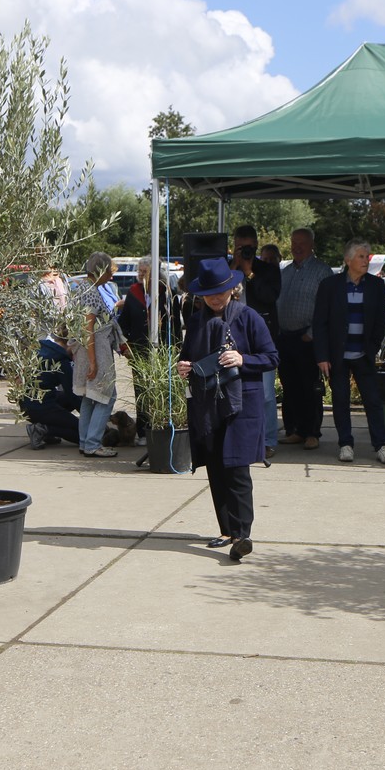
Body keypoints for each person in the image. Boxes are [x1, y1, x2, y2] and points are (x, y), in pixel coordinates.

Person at [176, 258, 278, 561]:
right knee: (216, 468)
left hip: (241, 404)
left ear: (232, 289)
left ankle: (242, 535)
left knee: (237, 469)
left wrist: (243, 360)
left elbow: (271, 357)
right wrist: (184, 367)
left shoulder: (248, 317)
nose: (216, 298)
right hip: (207, 403)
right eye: (209, 294)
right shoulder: (196, 321)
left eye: (220, 292)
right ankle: (227, 530)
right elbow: (187, 356)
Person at [313, 240, 385, 465]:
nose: (366, 260)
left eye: (367, 256)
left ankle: (381, 445)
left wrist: (373, 347)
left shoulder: (376, 285)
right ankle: (345, 444)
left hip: (363, 354)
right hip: (338, 355)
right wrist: (322, 356)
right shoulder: (330, 285)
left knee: (373, 400)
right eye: (361, 256)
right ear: (348, 260)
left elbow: (381, 320)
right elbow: (319, 322)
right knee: (341, 400)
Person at [275, 227, 334, 450]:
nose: (296, 247)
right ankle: (295, 430)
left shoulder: (322, 271)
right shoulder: (286, 271)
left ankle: (311, 433)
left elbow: (328, 307)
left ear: (311, 245)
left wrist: (312, 333)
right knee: (290, 387)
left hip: (307, 339)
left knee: (310, 388)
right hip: (285, 338)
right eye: (294, 242)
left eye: (301, 243)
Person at [231, 226, 282, 460]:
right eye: (240, 247)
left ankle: (268, 440)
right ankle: (240, 437)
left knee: (266, 394)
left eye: (249, 247)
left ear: (256, 246)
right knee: (233, 390)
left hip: (260, 337)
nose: (245, 251)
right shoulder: (227, 268)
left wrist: (249, 272)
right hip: (231, 336)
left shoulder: (268, 269)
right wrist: (234, 267)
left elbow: (269, 297)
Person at [72, 252, 124, 458]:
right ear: (100, 271)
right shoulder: (91, 292)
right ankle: (93, 443)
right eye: (109, 272)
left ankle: (85, 442)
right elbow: (88, 328)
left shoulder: (81, 288)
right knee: (106, 396)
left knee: (88, 396)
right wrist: (93, 362)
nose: (111, 276)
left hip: (84, 349)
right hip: (96, 349)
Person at [119, 255, 174, 444]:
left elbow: (172, 324)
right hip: (139, 351)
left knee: (162, 390)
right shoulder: (133, 292)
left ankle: (163, 427)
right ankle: (143, 431)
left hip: (162, 352)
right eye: (139, 271)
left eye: (145, 272)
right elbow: (123, 324)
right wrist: (125, 347)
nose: (141, 275)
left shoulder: (165, 292)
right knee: (142, 391)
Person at [21, 336, 81, 449]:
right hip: (41, 407)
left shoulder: (41, 347)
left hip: (27, 403)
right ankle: (43, 430)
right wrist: (88, 417)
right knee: (84, 434)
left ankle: (47, 428)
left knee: (67, 400)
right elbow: (72, 394)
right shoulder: (61, 361)